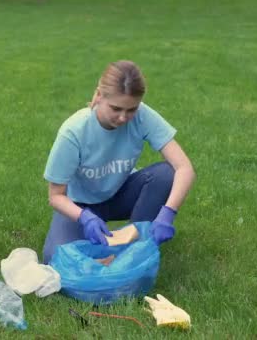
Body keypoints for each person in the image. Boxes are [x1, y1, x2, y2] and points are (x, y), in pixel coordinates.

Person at [42, 60, 196, 264]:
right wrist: (84, 217)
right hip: (81, 204)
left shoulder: (143, 116)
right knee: (54, 257)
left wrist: (168, 213)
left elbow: (184, 168)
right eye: (116, 108)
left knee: (166, 174)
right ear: (99, 95)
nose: (123, 117)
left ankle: (134, 247)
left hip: (120, 195)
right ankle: (108, 242)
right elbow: (55, 196)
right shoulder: (74, 132)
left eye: (131, 109)